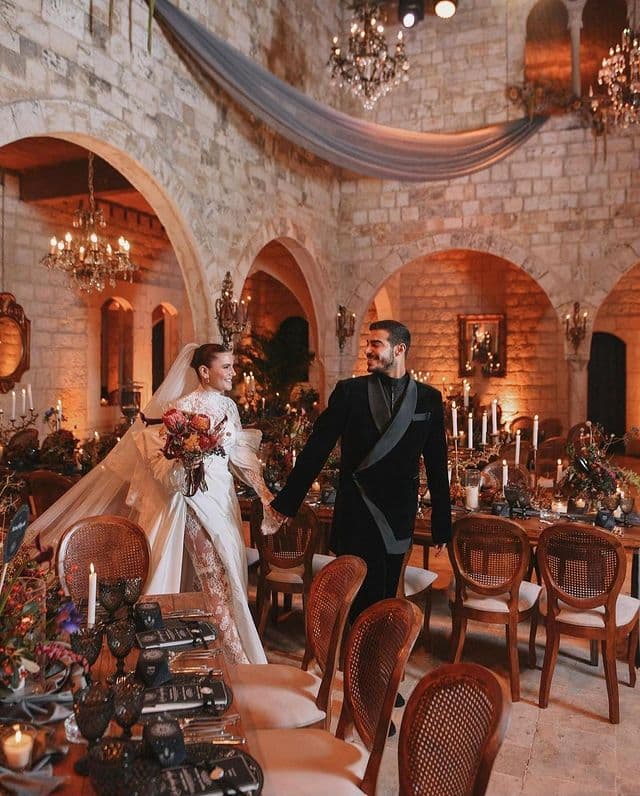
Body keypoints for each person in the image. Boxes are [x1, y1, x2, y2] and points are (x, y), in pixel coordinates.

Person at [29, 343, 273, 665]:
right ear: (204, 371)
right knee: (215, 573)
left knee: (231, 573)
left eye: (231, 366)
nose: (232, 373)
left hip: (223, 503)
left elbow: (240, 458)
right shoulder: (178, 410)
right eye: (225, 367)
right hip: (192, 504)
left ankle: (204, 652)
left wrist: (267, 497)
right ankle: (237, 658)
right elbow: (164, 471)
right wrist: (189, 459)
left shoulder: (229, 407)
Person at [270, 320, 452, 618]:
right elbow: (316, 450)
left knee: (384, 598)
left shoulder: (429, 398)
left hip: (397, 514)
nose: (367, 350)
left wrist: (441, 525)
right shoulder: (349, 392)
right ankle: (350, 659)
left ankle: (374, 658)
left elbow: (436, 463)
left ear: (399, 349)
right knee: (353, 600)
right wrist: (287, 503)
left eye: (375, 344)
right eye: (368, 344)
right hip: (356, 511)